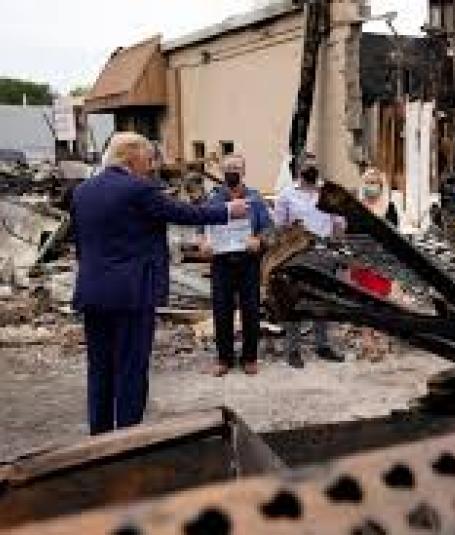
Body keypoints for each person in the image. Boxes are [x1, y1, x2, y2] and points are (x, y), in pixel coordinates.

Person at [71, 132, 248, 435]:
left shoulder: (82, 191)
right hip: (131, 294)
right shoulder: (138, 189)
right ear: (132, 157)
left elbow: (82, 243)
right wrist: (228, 211)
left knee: (99, 368)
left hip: (93, 292)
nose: (151, 165)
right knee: (131, 368)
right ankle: (128, 440)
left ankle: (98, 439)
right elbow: (181, 213)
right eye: (148, 158)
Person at [198, 155, 273, 377]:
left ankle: (250, 357)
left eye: (237, 167)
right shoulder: (213, 200)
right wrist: (203, 243)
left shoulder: (256, 199)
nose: (232, 171)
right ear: (222, 172)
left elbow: (268, 229)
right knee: (222, 310)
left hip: (248, 262)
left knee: (250, 310)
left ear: (244, 171)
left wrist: (259, 240)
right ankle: (224, 358)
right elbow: (201, 229)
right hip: (221, 262)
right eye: (229, 168)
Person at [273, 157, 345, 369]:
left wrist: (337, 248)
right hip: (296, 255)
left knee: (322, 301)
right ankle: (293, 349)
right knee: (294, 301)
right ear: (299, 169)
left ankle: (322, 345)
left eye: (314, 165)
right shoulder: (286, 195)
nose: (311, 168)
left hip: (324, 254)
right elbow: (278, 227)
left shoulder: (327, 194)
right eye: (307, 165)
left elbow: (339, 223)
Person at [352, 167, 396, 361]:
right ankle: (367, 342)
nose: (372, 186)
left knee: (383, 303)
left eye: (375, 182)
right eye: (368, 182)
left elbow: (395, 236)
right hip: (362, 262)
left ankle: (383, 341)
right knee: (364, 303)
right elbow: (351, 233)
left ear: (381, 185)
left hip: (383, 263)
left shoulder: (389, 207)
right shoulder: (357, 207)